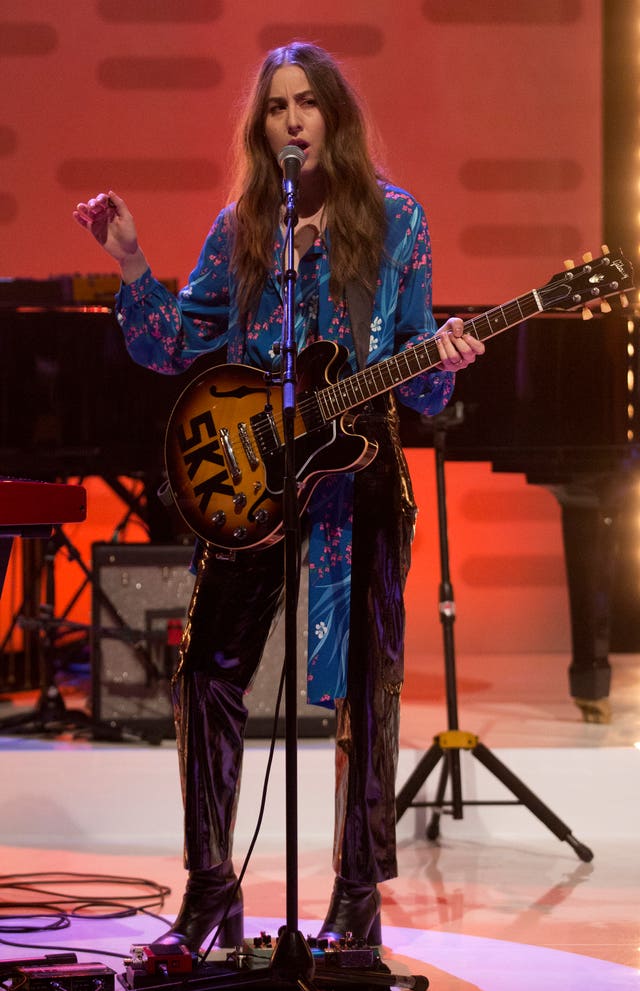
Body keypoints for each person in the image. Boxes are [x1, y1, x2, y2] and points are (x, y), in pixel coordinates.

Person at [73, 41, 484, 952]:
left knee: (363, 691)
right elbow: (175, 344)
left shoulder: (397, 220)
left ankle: (355, 901)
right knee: (208, 671)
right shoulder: (244, 224)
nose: (292, 119)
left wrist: (444, 360)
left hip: (362, 474)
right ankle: (212, 884)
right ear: (261, 127)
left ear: (334, 114)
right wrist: (134, 263)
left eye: (306, 102)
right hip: (259, 474)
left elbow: (415, 381)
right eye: (274, 106)